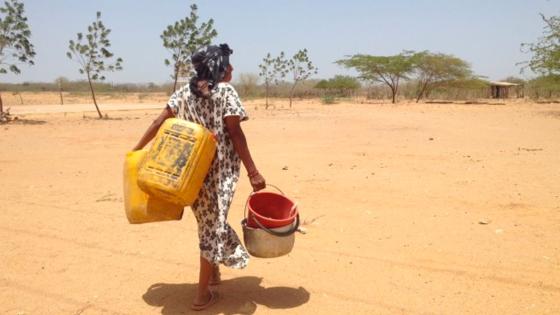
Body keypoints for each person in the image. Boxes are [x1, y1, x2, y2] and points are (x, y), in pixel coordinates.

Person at [132, 43, 266, 311]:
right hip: (220, 174)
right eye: (227, 64)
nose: (232, 69)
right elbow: (236, 133)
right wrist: (253, 171)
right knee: (212, 227)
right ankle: (201, 296)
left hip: (189, 176)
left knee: (207, 223)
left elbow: (158, 123)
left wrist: (134, 152)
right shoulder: (226, 92)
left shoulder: (182, 93)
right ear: (218, 68)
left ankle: (214, 274)